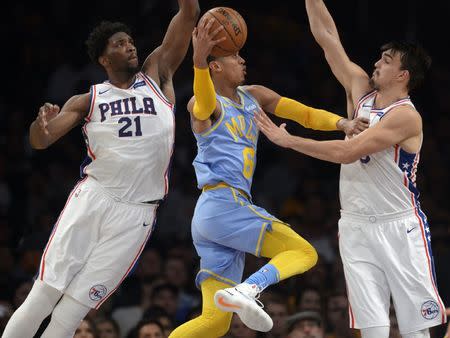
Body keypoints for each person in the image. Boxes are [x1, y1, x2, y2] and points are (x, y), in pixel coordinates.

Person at [2, 1, 200, 337]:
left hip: (138, 213)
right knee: (44, 295)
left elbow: (189, 14)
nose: (130, 45)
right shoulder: (88, 99)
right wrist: (40, 124)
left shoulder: (157, 74)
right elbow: (41, 141)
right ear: (104, 60)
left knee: (72, 312)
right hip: (95, 198)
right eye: (119, 44)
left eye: (130, 40)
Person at [254, 0, 447, 337]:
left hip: (399, 227)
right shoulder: (360, 92)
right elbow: (327, 36)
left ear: (403, 75)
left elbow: (348, 152)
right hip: (355, 225)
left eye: (386, 61)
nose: (376, 63)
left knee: (415, 329)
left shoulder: (406, 116)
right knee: (372, 328)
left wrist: (290, 141)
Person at [168, 15, 367, 338]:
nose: (242, 59)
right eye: (234, 56)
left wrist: (340, 124)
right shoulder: (202, 103)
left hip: (213, 217)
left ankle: (241, 292)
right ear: (215, 67)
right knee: (305, 253)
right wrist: (198, 61)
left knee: (215, 324)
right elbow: (203, 105)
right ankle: (249, 289)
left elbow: (301, 113)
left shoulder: (254, 95)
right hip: (223, 204)